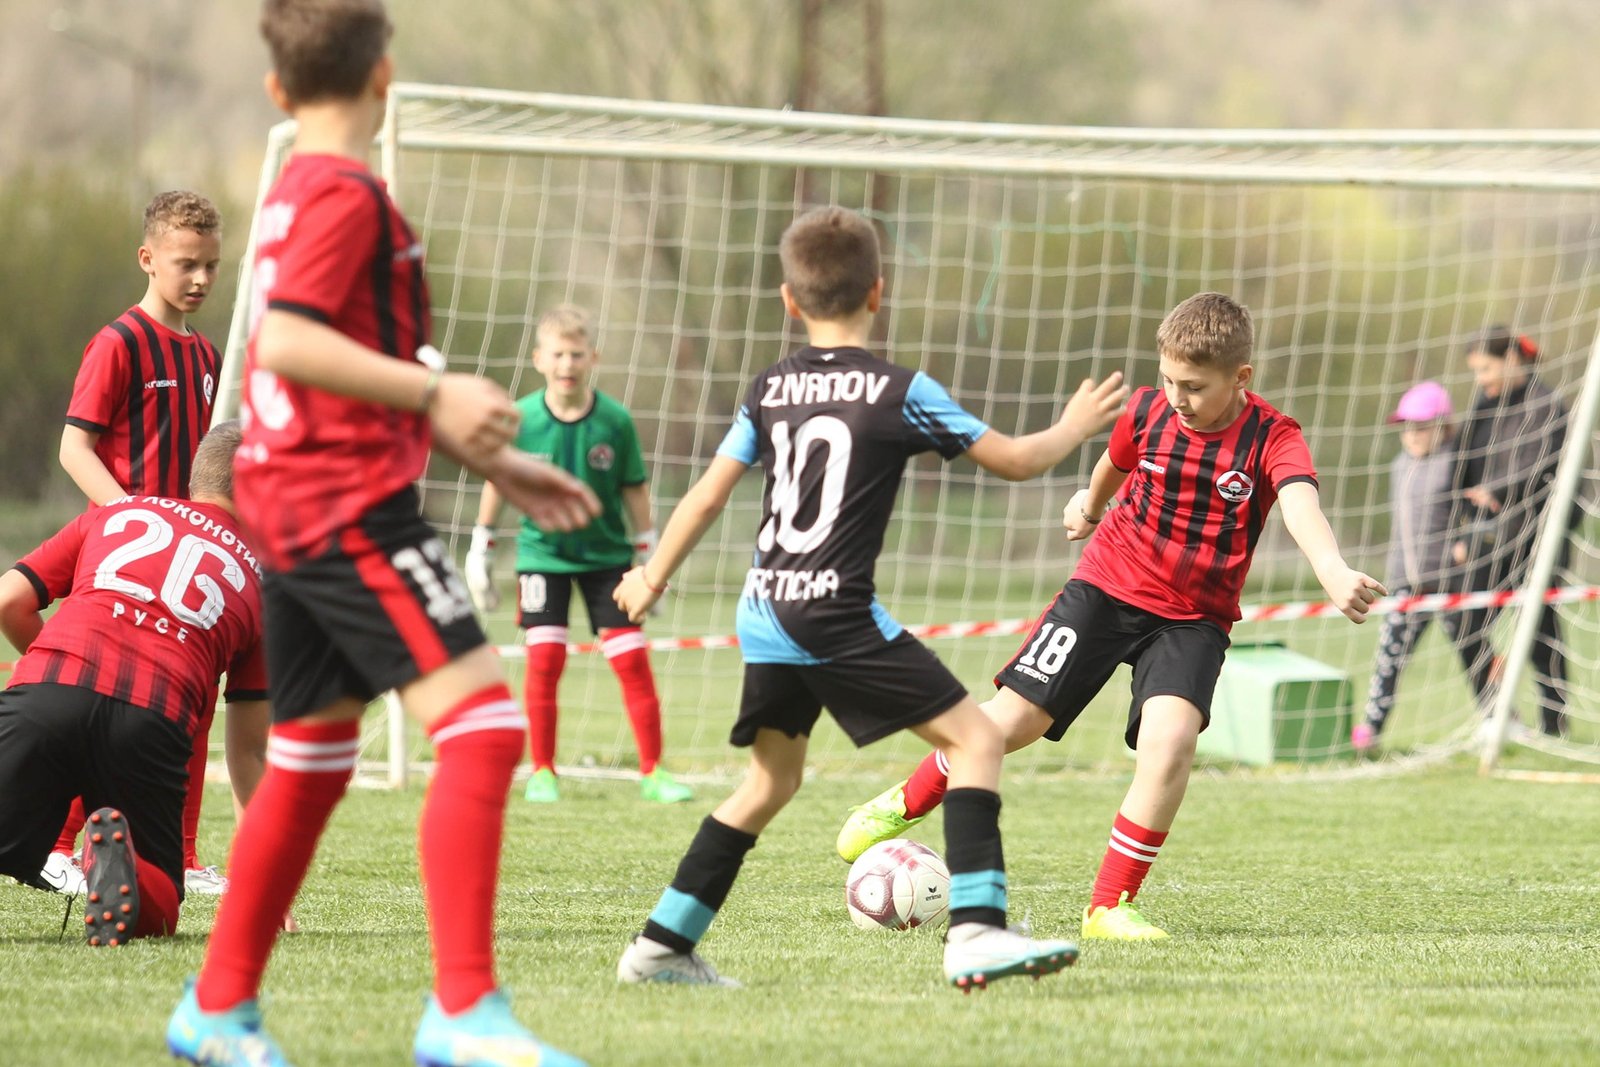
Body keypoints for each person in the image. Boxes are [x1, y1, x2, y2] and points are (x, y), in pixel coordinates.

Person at [164, 3, 596, 1065]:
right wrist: (439, 394)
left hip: (291, 501)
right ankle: (463, 1008)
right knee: (484, 730)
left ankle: (216, 1006)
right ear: (385, 74)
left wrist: (494, 459)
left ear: (277, 89)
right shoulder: (346, 195)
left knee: (310, 761)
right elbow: (288, 341)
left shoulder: (294, 192)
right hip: (344, 504)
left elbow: (336, 361)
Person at [611, 205, 1128, 992]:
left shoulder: (769, 388)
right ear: (878, 293)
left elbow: (709, 495)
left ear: (789, 299)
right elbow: (1020, 461)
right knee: (976, 740)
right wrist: (1073, 425)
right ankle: (977, 932)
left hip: (766, 607)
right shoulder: (900, 390)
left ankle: (658, 948)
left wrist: (651, 576)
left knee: (769, 783)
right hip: (832, 611)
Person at [836, 291, 1385, 941]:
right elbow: (1114, 462)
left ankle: (1108, 906)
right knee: (1013, 723)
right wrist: (1089, 505)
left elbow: (1299, 505)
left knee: (1171, 743)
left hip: (1193, 617)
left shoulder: (1273, 436)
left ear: (1241, 377)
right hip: (1106, 586)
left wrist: (1332, 570)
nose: (1178, 397)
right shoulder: (1148, 410)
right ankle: (903, 802)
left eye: (1195, 387)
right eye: (1169, 380)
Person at [0, 423, 268, 945]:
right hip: (151, 721)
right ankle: (125, 867)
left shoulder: (115, 512)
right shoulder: (264, 584)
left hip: (52, 689)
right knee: (160, 905)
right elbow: (248, 753)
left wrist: (54, 663)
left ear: (196, 478)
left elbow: (9, 600)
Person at [50, 190, 231, 899]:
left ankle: (182, 855)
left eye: (211, 265)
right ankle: (60, 845)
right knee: (101, 701)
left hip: (187, 564)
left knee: (197, 704)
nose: (200, 279)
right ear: (148, 258)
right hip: (125, 559)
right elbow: (74, 449)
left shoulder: (207, 354)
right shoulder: (118, 343)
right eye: (186, 264)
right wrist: (131, 519)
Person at [464, 305, 693, 805]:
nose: (567, 364)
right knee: (544, 659)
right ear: (539, 359)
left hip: (607, 558)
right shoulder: (519, 418)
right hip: (542, 556)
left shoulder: (615, 420)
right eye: (557, 354)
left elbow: (634, 489)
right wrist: (483, 543)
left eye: (576, 354)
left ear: (593, 358)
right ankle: (543, 772)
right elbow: (498, 480)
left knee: (632, 661)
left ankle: (654, 772)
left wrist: (649, 554)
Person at [1446, 326, 1573, 739]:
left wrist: (1498, 492)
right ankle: (1500, 716)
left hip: (1537, 541)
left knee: (1540, 631)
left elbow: (1544, 471)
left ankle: (1555, 727)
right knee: (1464, 622)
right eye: (1476, 371)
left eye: (1486, 368)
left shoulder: (1547, 406)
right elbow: (1460, 468)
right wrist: (1461, 526)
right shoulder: (1483, 407)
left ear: (1512, 359)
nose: (1481, 379)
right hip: (1488, 541)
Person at [1354, 381, 1485, 753]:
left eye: (1422, 427)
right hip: (1405, 584)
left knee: (1474, 652)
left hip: (1449, 582)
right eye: (1406, 428)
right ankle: (1371, 729)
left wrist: (1466, 542)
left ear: (1443, 428)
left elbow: (1477, 511)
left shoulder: (1456, 463)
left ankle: (1500, 718)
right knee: (1390, 656)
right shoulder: (1399, 466)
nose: (1412, 435)